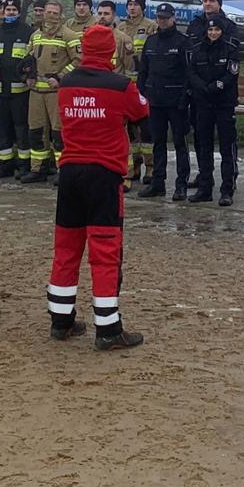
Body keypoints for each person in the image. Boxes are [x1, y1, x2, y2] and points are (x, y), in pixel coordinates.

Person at [49, 24, 152, 350]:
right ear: (110, 50)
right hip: (104, 174)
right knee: (105, 252)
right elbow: (141, 110)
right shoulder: (120, 85)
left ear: (82, 49)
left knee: (66, 248)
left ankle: (60, 321)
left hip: (69, 171)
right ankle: (108, 329)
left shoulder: (66, 83)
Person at [137, 3, 192, 200]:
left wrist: (184, 98)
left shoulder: (183, 42)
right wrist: (141, 94)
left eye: (166, 17)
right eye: (160, 17)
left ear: (174, 18)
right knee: (157, 143)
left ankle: (181, 185)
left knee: (180, 144)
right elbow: (143, 71)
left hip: (176, 103)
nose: (162, 20)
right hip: (155, 101)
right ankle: (157, 183)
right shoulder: (151, 41)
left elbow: (188, 73)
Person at [188, 14, 240, 206]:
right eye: (210, 30)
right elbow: (191, 72)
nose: (213, 33)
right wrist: (202, 87)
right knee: (204, 146)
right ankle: (205, 188)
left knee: (227, 147)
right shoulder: (197, 49)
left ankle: (227, 189)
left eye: (217, 30)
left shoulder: (230, 49)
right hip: (203, 103)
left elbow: (232, 74)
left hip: (224, 103)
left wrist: (216, 86)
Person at [23, 1, 79, 183]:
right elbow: (28, 58)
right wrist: (28, 74)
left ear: (61, 14)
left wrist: (60, 77)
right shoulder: (35, 35)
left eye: (55, 12)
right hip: (36, 92)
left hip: (57, 93)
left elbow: (79, 60)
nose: (51, 15)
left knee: (58, 134)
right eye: (48, 12)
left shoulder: (69, 36)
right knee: (36, 132)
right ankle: (38, 169)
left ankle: (63, 170)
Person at [0, 0, 33, 179]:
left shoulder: (27, 32)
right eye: (7, 9)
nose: (9, 13)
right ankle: (5, 165)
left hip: (20, 91)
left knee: (21, 129)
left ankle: (24, 166)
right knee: (1, 129)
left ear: (19, 12)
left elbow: (32, 59)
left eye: (13, 10)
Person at [119, 0, 158, 182]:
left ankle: (150, 167)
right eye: (129, 4)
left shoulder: (151, 27)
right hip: (125, 86)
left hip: (143, 86)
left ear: (142, 7)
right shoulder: (121, 27)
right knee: (130, 131)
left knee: (146, 129)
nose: (132, 8)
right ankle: (134, 166)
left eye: (135, 4)